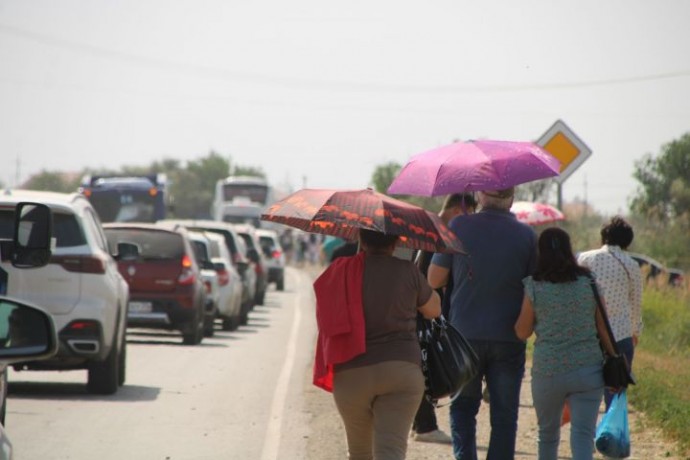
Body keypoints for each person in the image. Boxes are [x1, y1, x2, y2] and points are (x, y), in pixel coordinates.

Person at [428, 187, 537, 460]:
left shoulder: (459, 226)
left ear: (480, 197)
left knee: (463, 409)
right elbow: (535, 290)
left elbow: (434, 279)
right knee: (504, 414)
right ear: (511, 200)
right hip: (509, 338)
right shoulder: (527, 236)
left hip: (464, 337)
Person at [313, 228, 441, 459]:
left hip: (352, 374)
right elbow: (434, 310)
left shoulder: (341, 271)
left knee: (360, 453)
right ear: (396, 242)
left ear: (360, 239)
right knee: (390, 452)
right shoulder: (408, 271)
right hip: (401, 372)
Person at [514, 227, 618, 460]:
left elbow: (522, 332)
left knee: (548, 435)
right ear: (569, 249)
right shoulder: (589, 282)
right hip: (588, 371)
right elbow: (603, 328)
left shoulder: (534, 285)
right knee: (582, 436)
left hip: (548, 371)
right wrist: (617, 359)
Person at [411, 192, 476, 444]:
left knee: (423, 364)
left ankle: (421, 424)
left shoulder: (425, 226)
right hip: (428, 308)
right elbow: (431, 276)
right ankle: (426, 427)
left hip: (421, 306)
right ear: (459, 211)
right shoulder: (440, 233)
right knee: (429, 366)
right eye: (469, 214)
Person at [577, 216, 643, 410]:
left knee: (586, 394)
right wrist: (635, 333)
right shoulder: (631, 265)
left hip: (589, 336)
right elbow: (636, 304)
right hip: (620, 337)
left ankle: (584, 435)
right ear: (627, 241)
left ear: (603, 236)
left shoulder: (585, 259)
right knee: (614, 397)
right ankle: (610, 436)